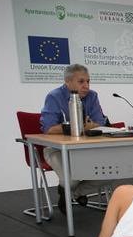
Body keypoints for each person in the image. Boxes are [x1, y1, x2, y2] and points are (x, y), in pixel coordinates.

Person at [40, 63, 111, 213]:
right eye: (81, 82)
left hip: (86, 149)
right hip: (57, 149)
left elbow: (99, 123)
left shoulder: (92, 96)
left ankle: (74, 193)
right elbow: (49, 129)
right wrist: (80, 125)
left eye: (88, 81)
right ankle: (67, 186)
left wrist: (74, 126)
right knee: (72, 178)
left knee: (114, 170)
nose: (86, 86)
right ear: (68, 82)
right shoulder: (54, 97)